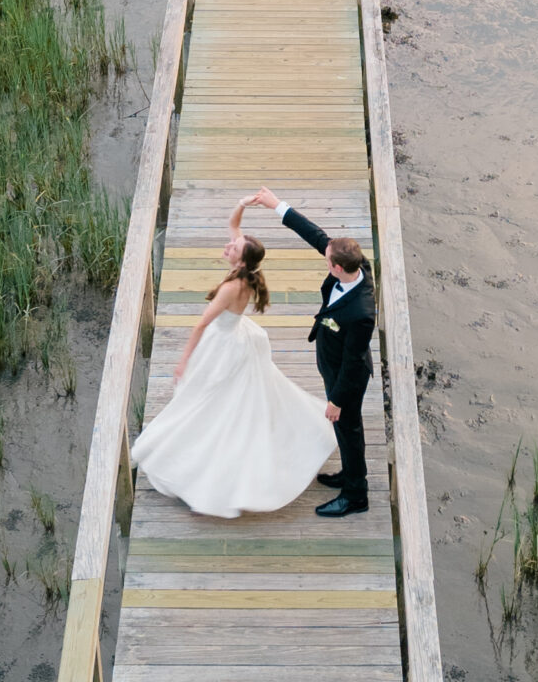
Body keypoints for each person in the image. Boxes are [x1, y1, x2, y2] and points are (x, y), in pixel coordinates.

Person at [129, 195, 336, 519]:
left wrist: (184, 360)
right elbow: (233, 224)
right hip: (238, 336)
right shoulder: (247, 271)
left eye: (233, 250)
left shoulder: (231, 288)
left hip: (224, 344)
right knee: (223, 399)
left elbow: (201, 325)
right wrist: (242, 203)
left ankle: (208, 470)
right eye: (232, 246)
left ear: (241, 263)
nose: (228, 247)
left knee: (210, 401)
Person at [245, 187, 374, 518]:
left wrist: (337, 401)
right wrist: (277, 206)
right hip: (331, 362)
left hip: (347, 377)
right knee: (346, 430)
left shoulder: (361, 313)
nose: (324, 254)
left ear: (336, 268)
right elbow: (317, 236)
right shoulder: (354, 265)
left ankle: (356, 494)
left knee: (349, 427)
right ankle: (350, 473)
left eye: (327, 258)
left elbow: (353, 360)